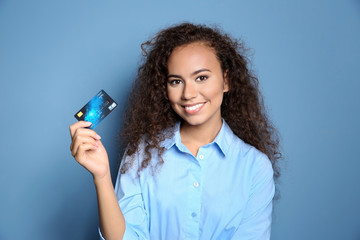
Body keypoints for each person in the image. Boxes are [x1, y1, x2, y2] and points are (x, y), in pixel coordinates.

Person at [69, 22, 281, 240]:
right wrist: (102, 176)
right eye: (176, 81)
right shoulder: (141, 153)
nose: (188, 93)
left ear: (226, 81)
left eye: (201, 77)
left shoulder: (255, 167)